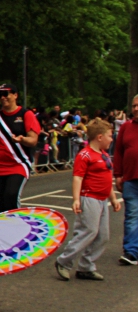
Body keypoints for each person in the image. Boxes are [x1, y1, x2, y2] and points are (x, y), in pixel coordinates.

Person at [56, 120, 119, 282]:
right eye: (109, 136)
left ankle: (86, 266)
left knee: (103, 235)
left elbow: (107, 178)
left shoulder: (104, 154)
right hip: (89, 197)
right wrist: (76, 199)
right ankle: (64, 261)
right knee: (88, 231)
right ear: (99, 137)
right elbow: (78, 178)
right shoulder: (85, 155)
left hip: (102, 199)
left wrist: (113, 198)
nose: (111, 139)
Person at [0, 83, 40, 213]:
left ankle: (16, 229)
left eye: (5, 94)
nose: (2, 98)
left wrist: (22, 139)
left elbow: (33, 140)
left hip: (18, 164)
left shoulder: (26, 114)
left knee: (11, 197)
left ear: (15, 95)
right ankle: (2, 231)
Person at [114, 94, 138, 265]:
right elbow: (119, 152)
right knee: (131, 215)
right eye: (134, 105)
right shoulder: (126, 127)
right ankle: (131, 251)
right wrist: (118, 175)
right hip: (130, 178)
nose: (136, 108)